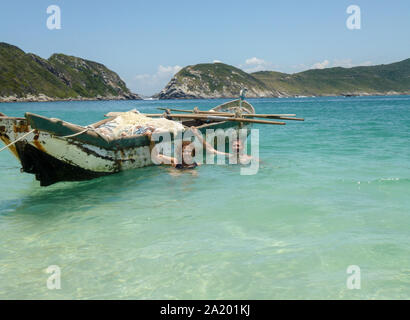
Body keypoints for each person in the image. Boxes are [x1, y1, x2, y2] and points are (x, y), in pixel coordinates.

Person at [190, 126, 255, 165]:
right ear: (231, 148)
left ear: (243, 147)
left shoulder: (250, 158)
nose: (236, 147)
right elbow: (210, 149)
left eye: (238, 145)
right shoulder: (228, 156)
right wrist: (197, 134)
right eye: (234, 145)